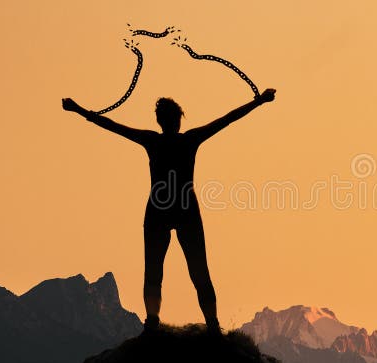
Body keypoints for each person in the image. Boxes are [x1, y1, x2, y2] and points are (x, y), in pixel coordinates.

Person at [61, 88, 276, 335]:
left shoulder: (153, 141)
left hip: (158, 211)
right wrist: (258, 102)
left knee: (154, 272)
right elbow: (227, 119)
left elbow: (112, 126)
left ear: (160, 121)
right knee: (199, 271)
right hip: (186, 210)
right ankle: (212, 326)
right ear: (178, 119)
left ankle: (153, 323)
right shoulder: (189, 139)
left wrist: (78, 110)